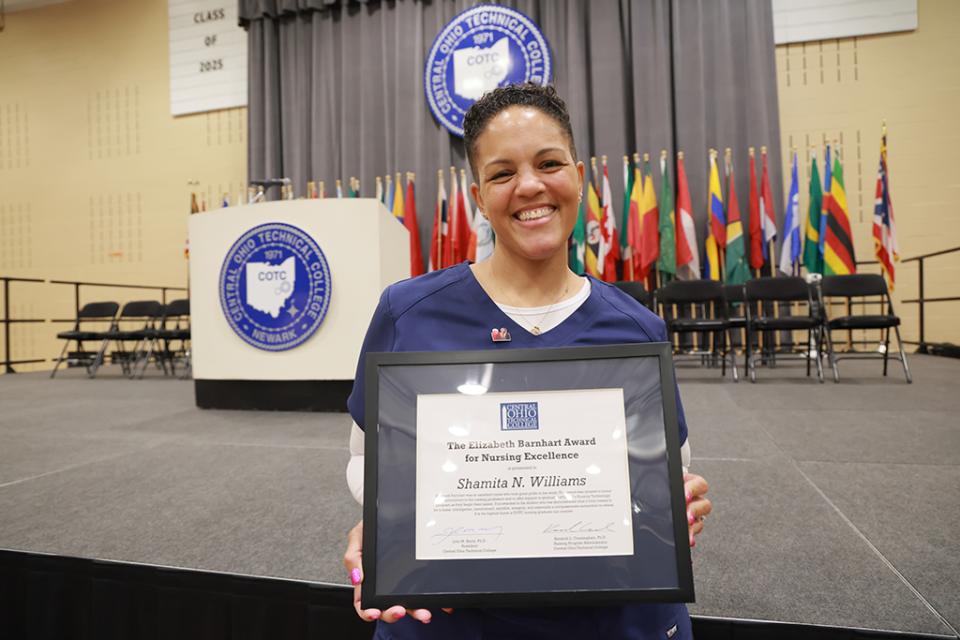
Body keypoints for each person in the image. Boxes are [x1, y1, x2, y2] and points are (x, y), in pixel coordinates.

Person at [342, 83, 711, 640]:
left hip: (611, 618)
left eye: (548, 163)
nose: (530, 186)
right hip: (449, 619)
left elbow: (668, 470)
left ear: (580, 175)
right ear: (478, 196)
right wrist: (385, 522)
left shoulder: (636, 328)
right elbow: (364, 459)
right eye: (502, 173)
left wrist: (675, 508)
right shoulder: (408, 312)